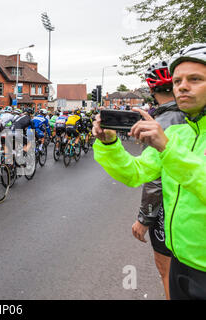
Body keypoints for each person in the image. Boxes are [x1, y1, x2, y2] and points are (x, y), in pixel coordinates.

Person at [92, 43, 206, 300]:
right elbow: (136, 173)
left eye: (195, 79)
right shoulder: (177, 132)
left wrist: (167, 148)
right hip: (180, 259)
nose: (182, 87)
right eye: (178, 81)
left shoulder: (168, 138)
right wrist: (110, 144)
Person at [131, 61, 186, 300]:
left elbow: (154, 179)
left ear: (151, 90)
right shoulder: (193, 115)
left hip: (170, 207)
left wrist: (145, 218)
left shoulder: (158, 123)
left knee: (169, 272)